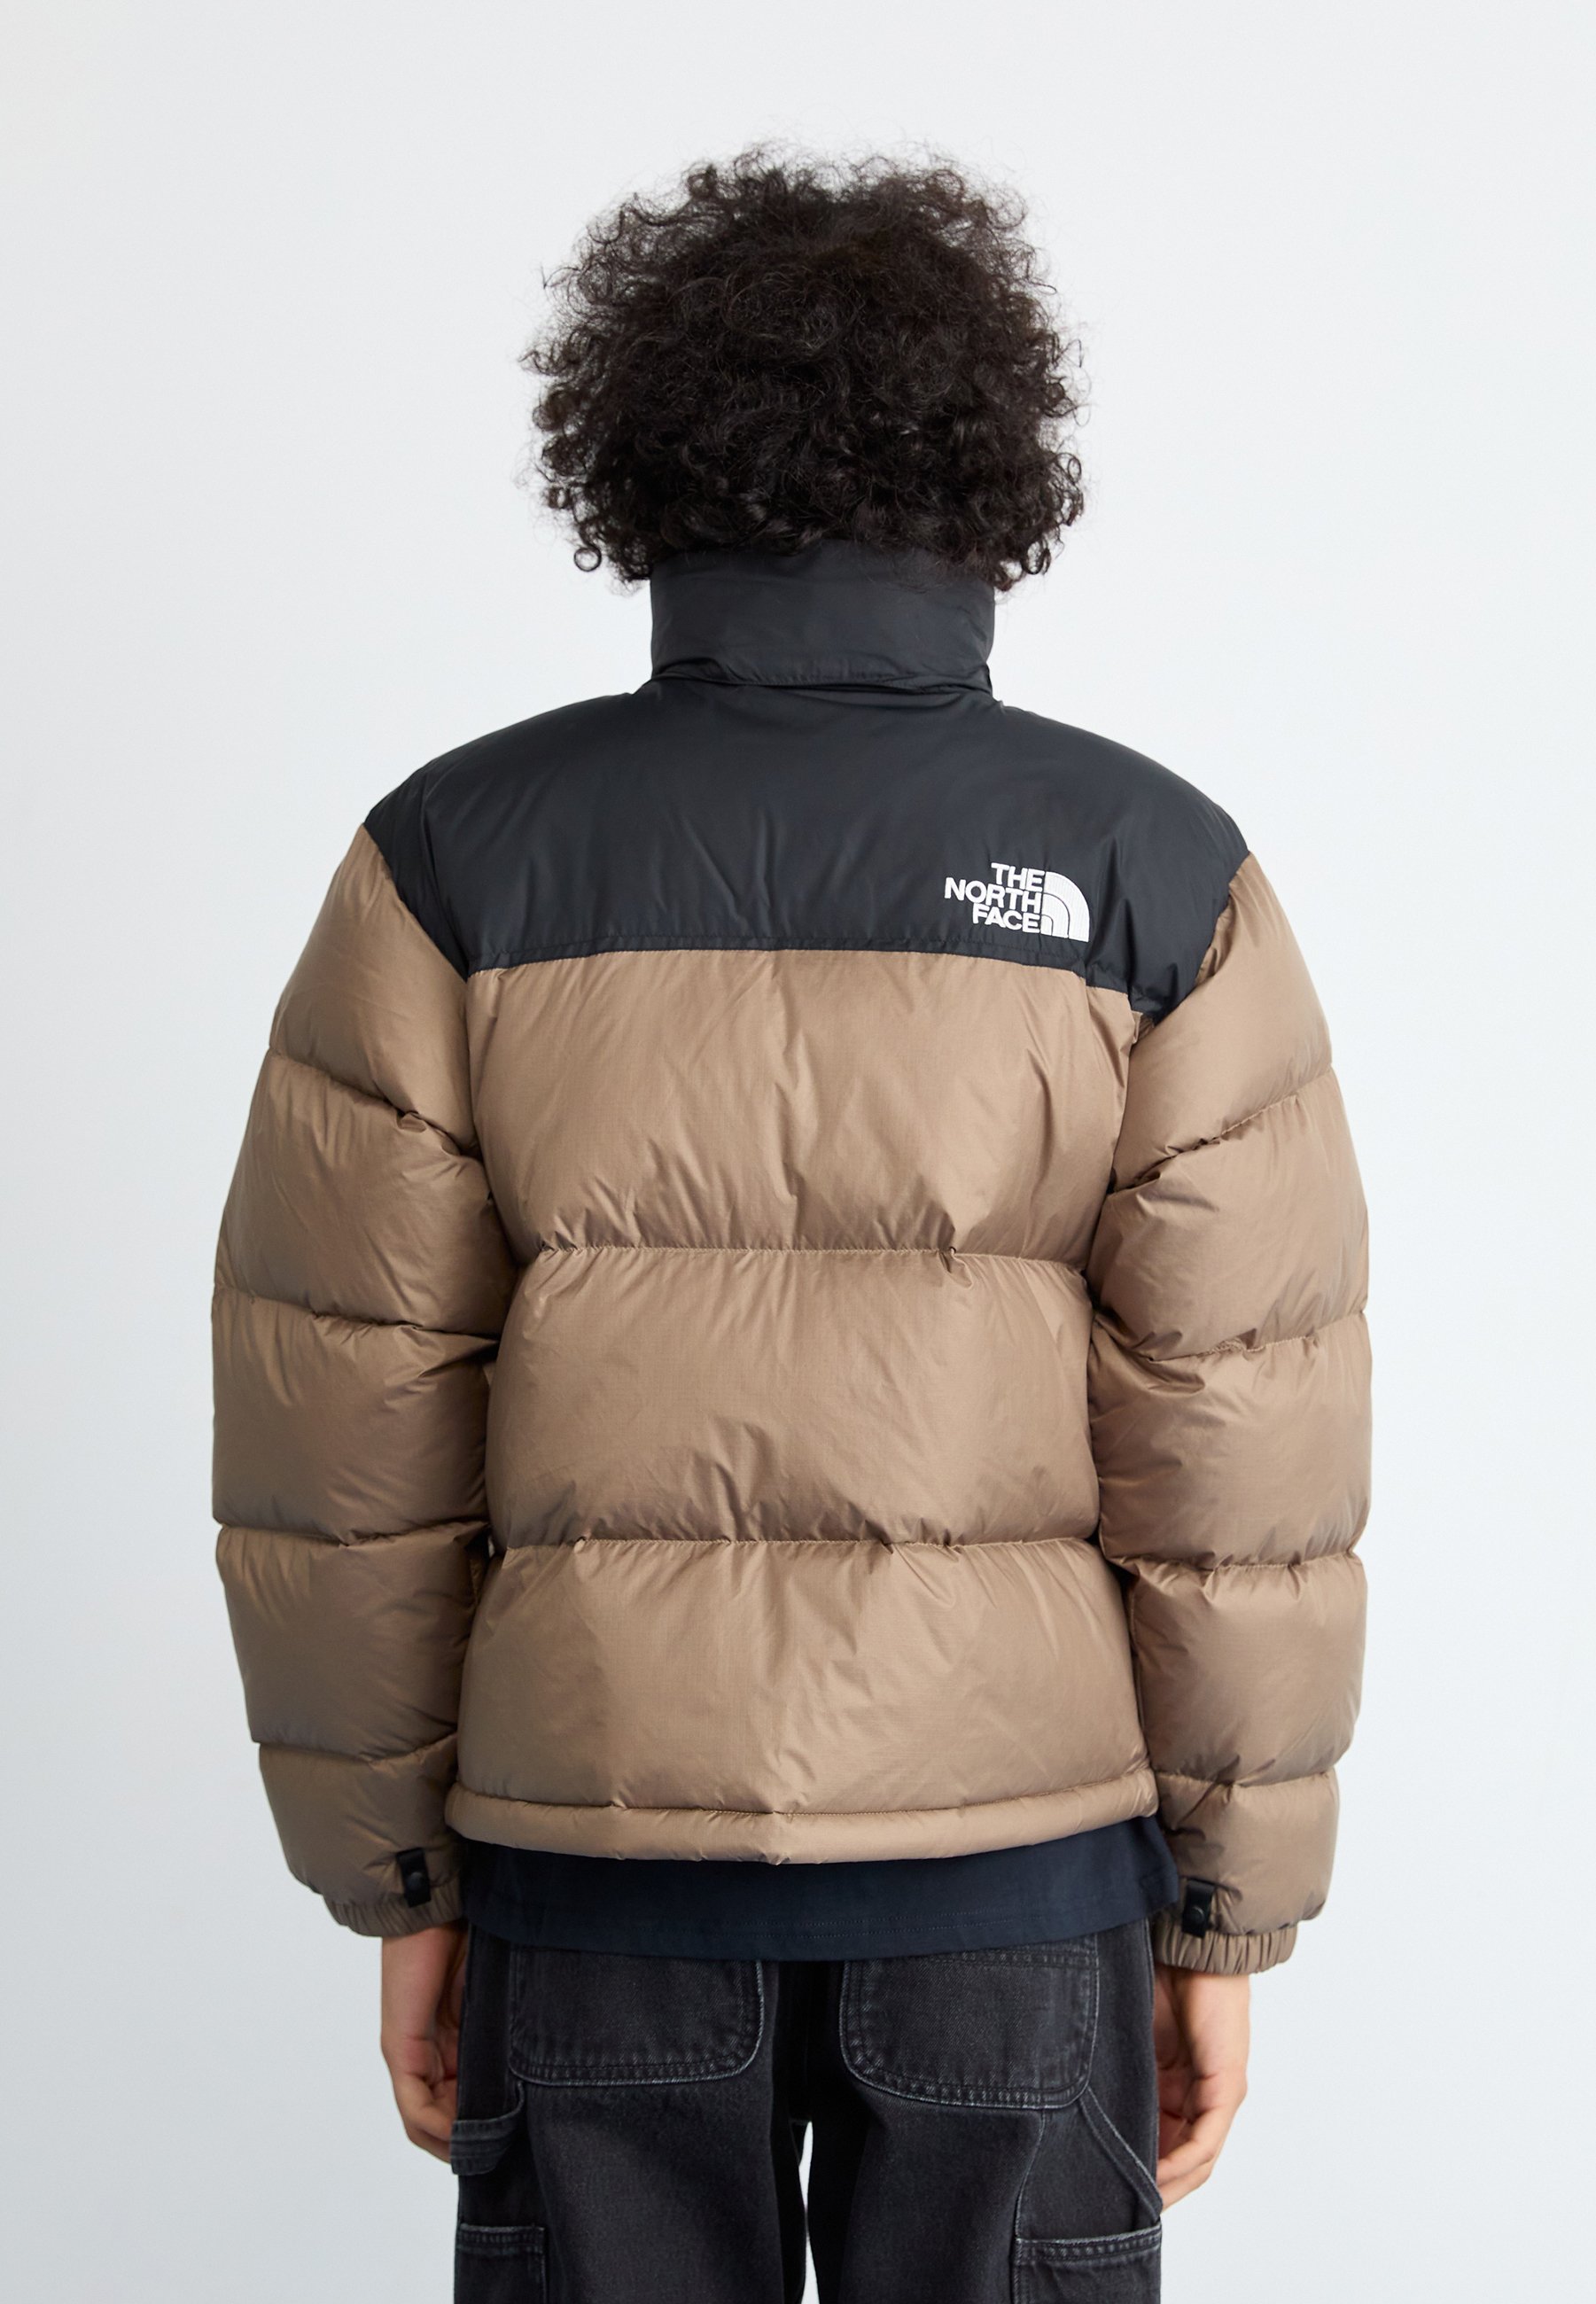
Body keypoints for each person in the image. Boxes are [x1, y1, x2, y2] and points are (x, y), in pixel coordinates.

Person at [213, 151, 1369, 2302]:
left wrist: (401, 1880)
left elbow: (341, 1438)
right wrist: (1225, 1911)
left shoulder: (455, 857)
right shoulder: (1152, 869)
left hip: (593, 1874)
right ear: (991, 465)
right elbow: (1241, 1452)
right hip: (1017, 1893)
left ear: (639, 462)